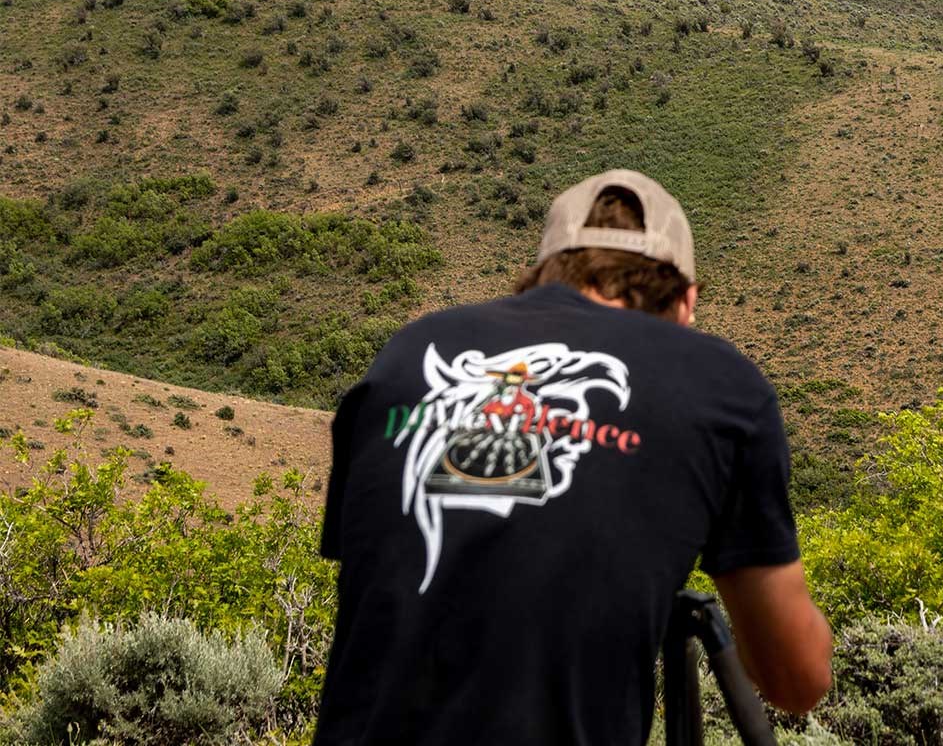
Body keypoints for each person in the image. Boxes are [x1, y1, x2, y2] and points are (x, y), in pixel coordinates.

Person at [312, 170, 832, 744]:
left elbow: (383, 574)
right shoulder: (722, 384)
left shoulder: (407, 352)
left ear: (541, 276)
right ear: (686, 302)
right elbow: (795, 679)